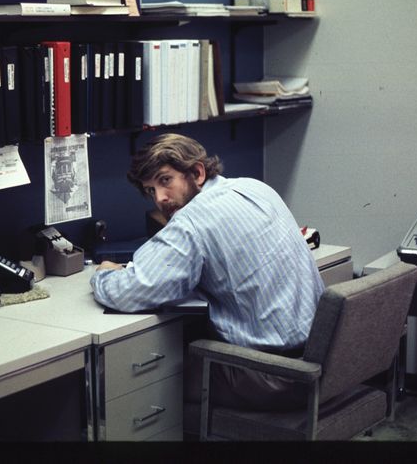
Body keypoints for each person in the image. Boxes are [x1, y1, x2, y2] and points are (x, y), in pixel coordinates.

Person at [90, 133, 326, 411]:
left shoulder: (190, 221)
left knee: (131, 381)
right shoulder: (255, 187)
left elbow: (132, 291)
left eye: (165, 180)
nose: (161, 199)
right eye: (151, 190)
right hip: (319, 362)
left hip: (271, 376)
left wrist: (102, 275)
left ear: (197, 172)